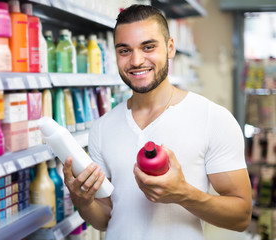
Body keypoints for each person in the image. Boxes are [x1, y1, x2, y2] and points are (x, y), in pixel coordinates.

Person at [63, 4, 252, 240]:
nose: (136, 60)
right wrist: (82, 199)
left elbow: (242, 216)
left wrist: (183, 194)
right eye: (124, 50)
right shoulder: (102, 127)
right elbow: (104, 219)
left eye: (148, 47)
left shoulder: (212, 118)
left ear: (170, 48)